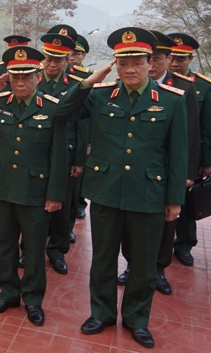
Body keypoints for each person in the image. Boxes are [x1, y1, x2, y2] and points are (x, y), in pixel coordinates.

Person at [57, 27, 188, 349]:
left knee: (143, 264)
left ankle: (136, 319)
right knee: (102, 259)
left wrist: (174, 199)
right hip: (106, 190)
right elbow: (61, 112)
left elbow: (178, 153)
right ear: (115, 65)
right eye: (122, 63)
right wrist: (88, 81)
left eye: (137, 63)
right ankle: (101, 313)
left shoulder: (170, 101)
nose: (130, 70)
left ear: (150, 64)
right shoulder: (100, 95)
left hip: (148, 194)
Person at [0, 45, 68, 327]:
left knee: (33, 248)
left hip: (36, 190)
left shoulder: (53, 108)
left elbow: (60, 155)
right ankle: (8, 292)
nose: (21, 83)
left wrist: (56, 194)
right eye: (15, 78)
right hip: (1, 186)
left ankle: (33, 299)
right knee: (5, 244)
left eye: (27, 77)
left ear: (39, 77)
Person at [116, 31, 198, 296]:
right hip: (137, 170)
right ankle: (131, 265)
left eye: (158, 60)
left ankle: (159, 270)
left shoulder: (183, 88)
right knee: (132, 226)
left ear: (161, 60)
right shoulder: (125, 87)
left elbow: (191, 135)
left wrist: (187, 172)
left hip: (167, 171)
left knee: (166, 224)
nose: (152, 67)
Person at [35, 32, 87, 275]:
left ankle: (57, 251)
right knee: (33, 205)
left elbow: (81, 125)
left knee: (62, 208)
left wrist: (78, 160)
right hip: (36, 153)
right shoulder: (32, 80)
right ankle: (30, 248)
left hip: (65, 156)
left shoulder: (76, 86)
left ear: (68, 60)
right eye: (48, 59)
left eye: (58, 60)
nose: (52, 65)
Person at [167, 32, 211, 267]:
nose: (176, 63)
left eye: (181, 59)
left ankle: (184, 245)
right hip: (163, 155)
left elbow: (206, 127)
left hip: (189, 156)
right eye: (172, 57)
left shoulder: (202, 86)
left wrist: (205, 162)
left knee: (185, 201)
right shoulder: (159, 83)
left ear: (190, 59)